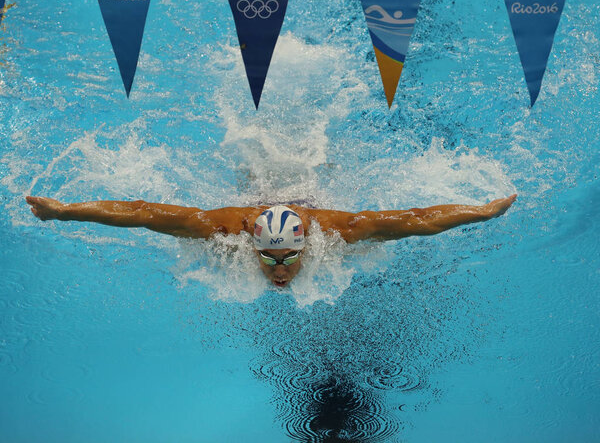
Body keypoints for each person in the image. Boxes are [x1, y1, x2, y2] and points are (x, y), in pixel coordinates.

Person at [25, 194, 517, 288]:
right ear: (252, 245)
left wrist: (483, 211)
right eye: (269, 260)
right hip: (254, 191)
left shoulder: (338, 230)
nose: (280, 272)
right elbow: (142, 213)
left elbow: (416, 219)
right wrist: (64, 212)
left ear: (307, 245)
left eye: (287, 260)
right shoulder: (224, 227)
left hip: (307, 191)